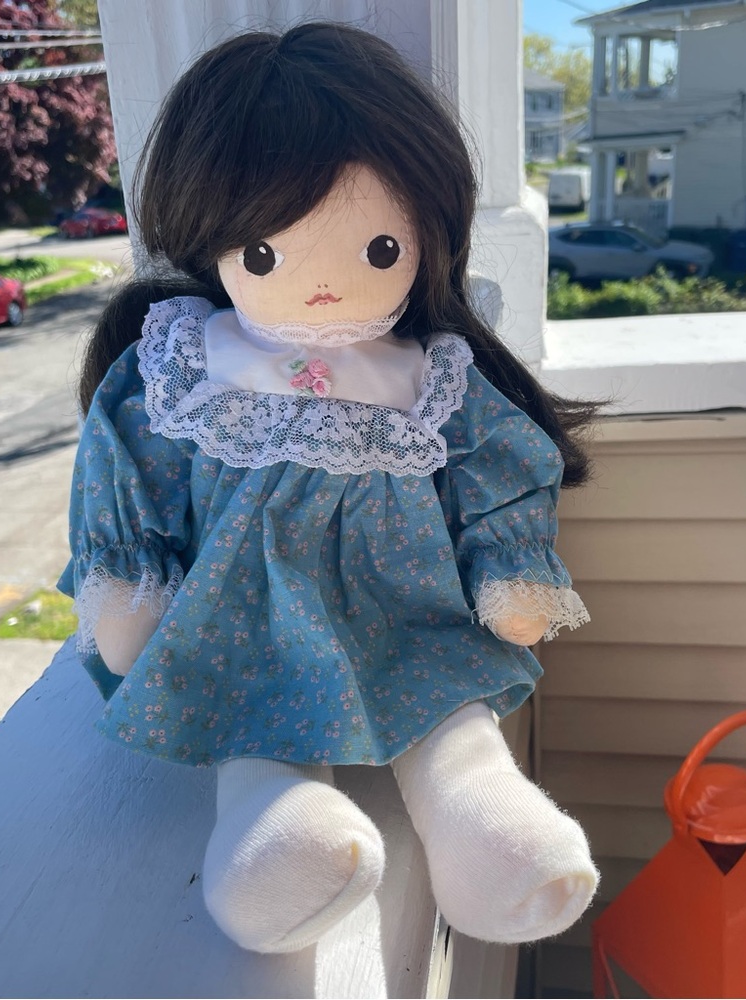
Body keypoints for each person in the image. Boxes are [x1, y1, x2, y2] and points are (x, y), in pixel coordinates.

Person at [60, 21, 599, 954]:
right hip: (245, 618)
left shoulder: (429, 373)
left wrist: (509, 567)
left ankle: (482, 819)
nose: (318, 285)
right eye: (264, 254)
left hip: (408, 612)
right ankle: (274, 831)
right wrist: (129, 580)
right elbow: (130, 460)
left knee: (450, 721)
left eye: (378, 247)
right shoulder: (192, 363)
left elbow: (498, 463)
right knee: (253, 728)